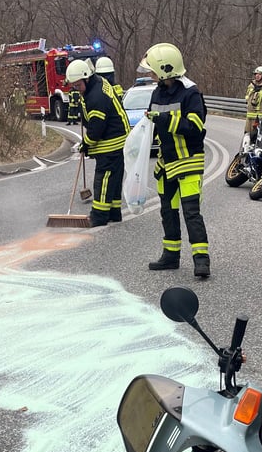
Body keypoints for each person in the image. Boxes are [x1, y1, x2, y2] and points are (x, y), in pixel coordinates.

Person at [140, 43, 211, 278]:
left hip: (188, 162)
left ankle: (201, 260)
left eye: (152, 70)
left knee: (191, 212)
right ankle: (170, 256)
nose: (150, 74)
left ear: (164, 69)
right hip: (166, 164)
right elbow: (154, 124)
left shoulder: (190, 92)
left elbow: (196, 128)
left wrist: (165, 119)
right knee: (167, 212)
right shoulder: (157, 92)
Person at [64, 59, 130, 226]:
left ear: (87, 78)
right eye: (74, 87)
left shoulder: (96, 97)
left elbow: (96, 131)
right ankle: (114, 213)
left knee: (104, 178)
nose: (76, 89)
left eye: (78, 86)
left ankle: (99, 216)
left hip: (111, 143)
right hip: (118, 139)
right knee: (114, 180)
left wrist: (85, 144)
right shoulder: (97, 83)